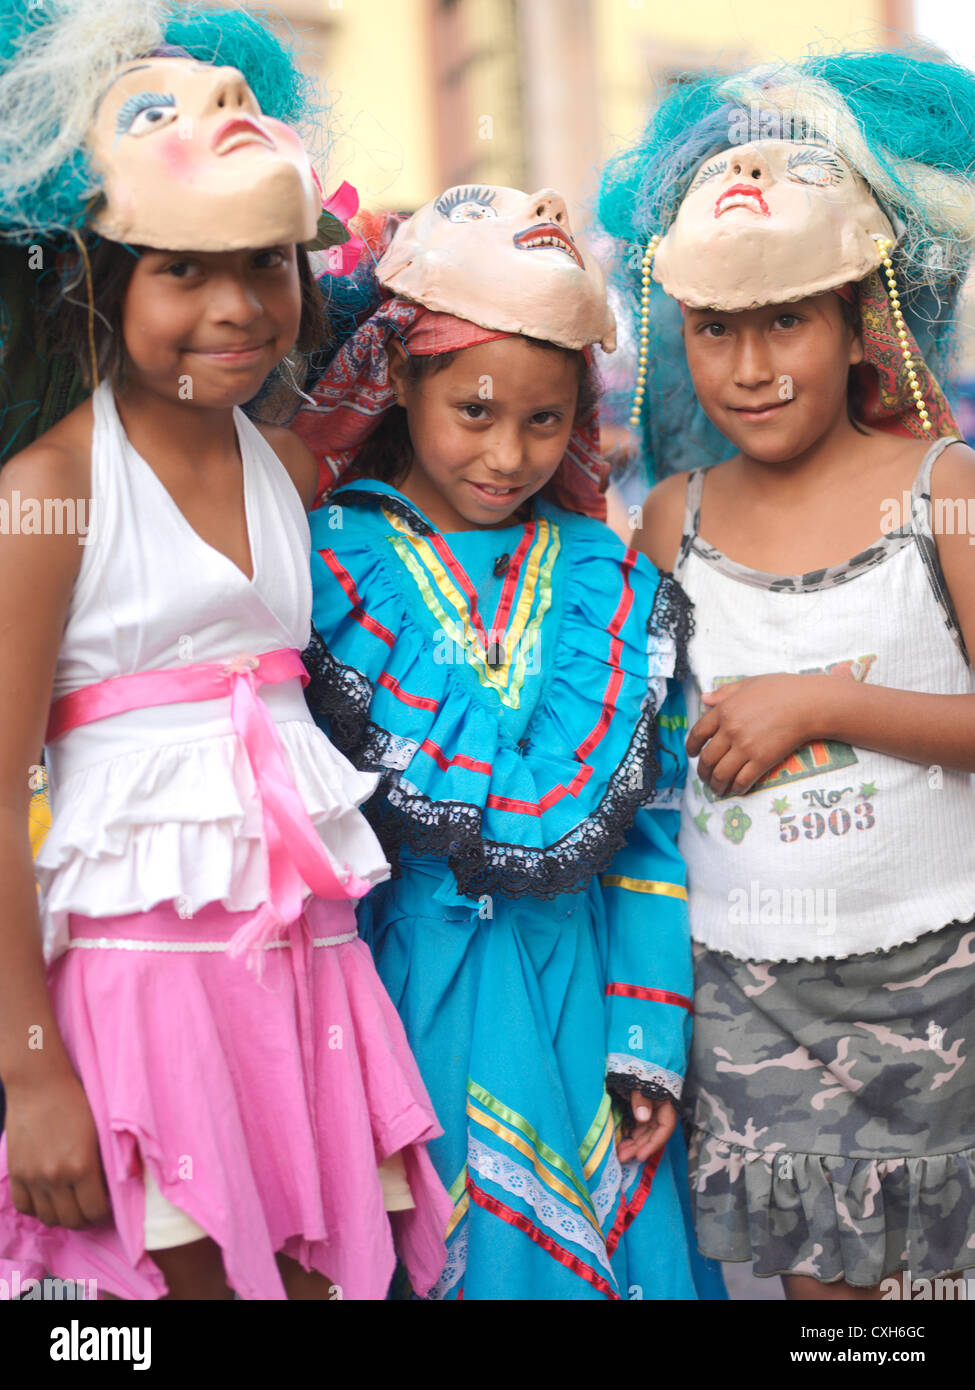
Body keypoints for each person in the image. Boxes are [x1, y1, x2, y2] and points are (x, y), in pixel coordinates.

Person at [0, 3, 450, 1301]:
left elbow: (433, 410)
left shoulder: (290, 470)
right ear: (99, 271)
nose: (236, 307)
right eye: (181, 268)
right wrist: (29, 1068)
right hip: (138, 1014)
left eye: (264, 262)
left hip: (307, 991)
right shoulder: (51, 486)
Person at [292, 183, 727, 1300]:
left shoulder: (610, 585)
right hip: (396, 993)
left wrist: (646, 1037)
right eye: (475, 412)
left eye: (543, 419)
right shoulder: (324, 561)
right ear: (398, 379)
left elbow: (650, 832)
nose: (510, 451)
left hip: (579, 995)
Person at [599, 51, 975, 1300]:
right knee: (830, 1314)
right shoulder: (673, 518)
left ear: (858, 314)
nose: (752, 367)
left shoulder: (946, 489)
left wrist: (821, 702)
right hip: (757, 994)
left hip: (943, 975)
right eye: (717, 328)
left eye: (786, 320)